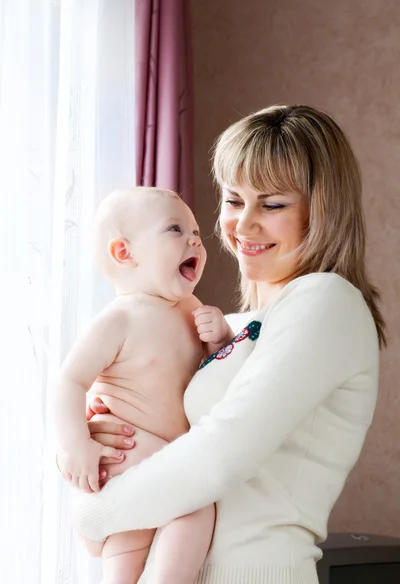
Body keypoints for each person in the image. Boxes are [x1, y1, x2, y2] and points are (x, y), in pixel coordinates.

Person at [71, 104, 385, 584]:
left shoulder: (327, 301)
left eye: (272, 204)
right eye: (234, 200)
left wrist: (92, 514)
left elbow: (219, 455)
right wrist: (94, 438)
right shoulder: (238, 328)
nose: (242, 224)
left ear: (321, 210)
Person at [55, 187, 236, 584]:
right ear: (125, 253)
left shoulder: (193, 310)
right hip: (128, 449)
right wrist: (73, 446)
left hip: (164, 452)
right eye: (175, 229)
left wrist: (221, 341)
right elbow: (69, 381)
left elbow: (212, 377)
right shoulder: (119, 319)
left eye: (195, 233)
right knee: (193, 508)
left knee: (139, 544)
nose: (193, 239)